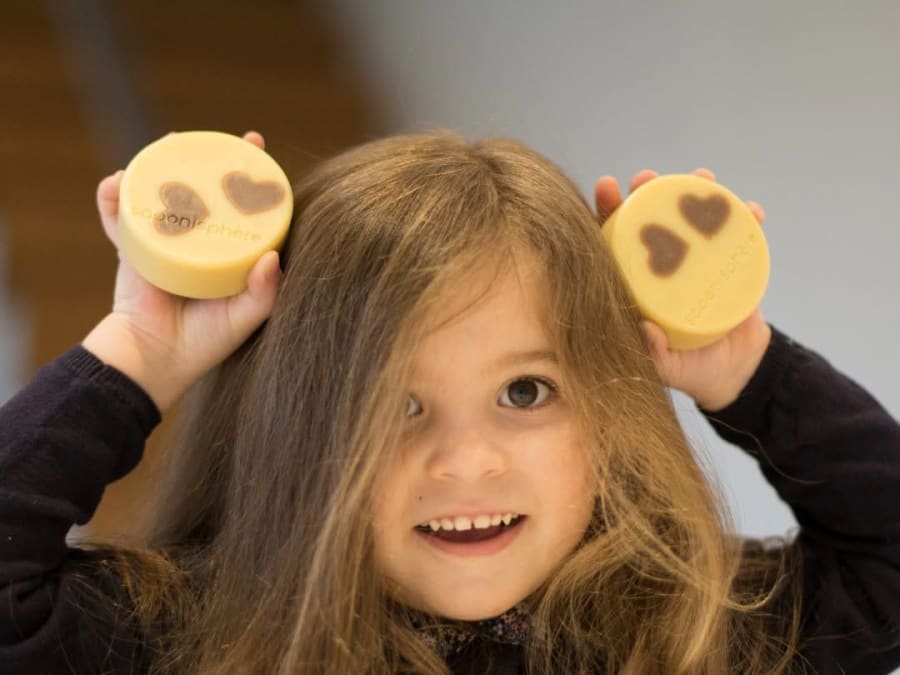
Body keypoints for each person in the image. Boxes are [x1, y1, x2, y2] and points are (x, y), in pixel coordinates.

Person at [1, 131, 898, 675]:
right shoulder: (186, 639)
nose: (468, 461)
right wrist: (140, 354)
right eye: (396, 404)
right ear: (293, 424)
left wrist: (748, 366)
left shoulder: (694, 634)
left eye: (525, 390)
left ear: (607, 407)